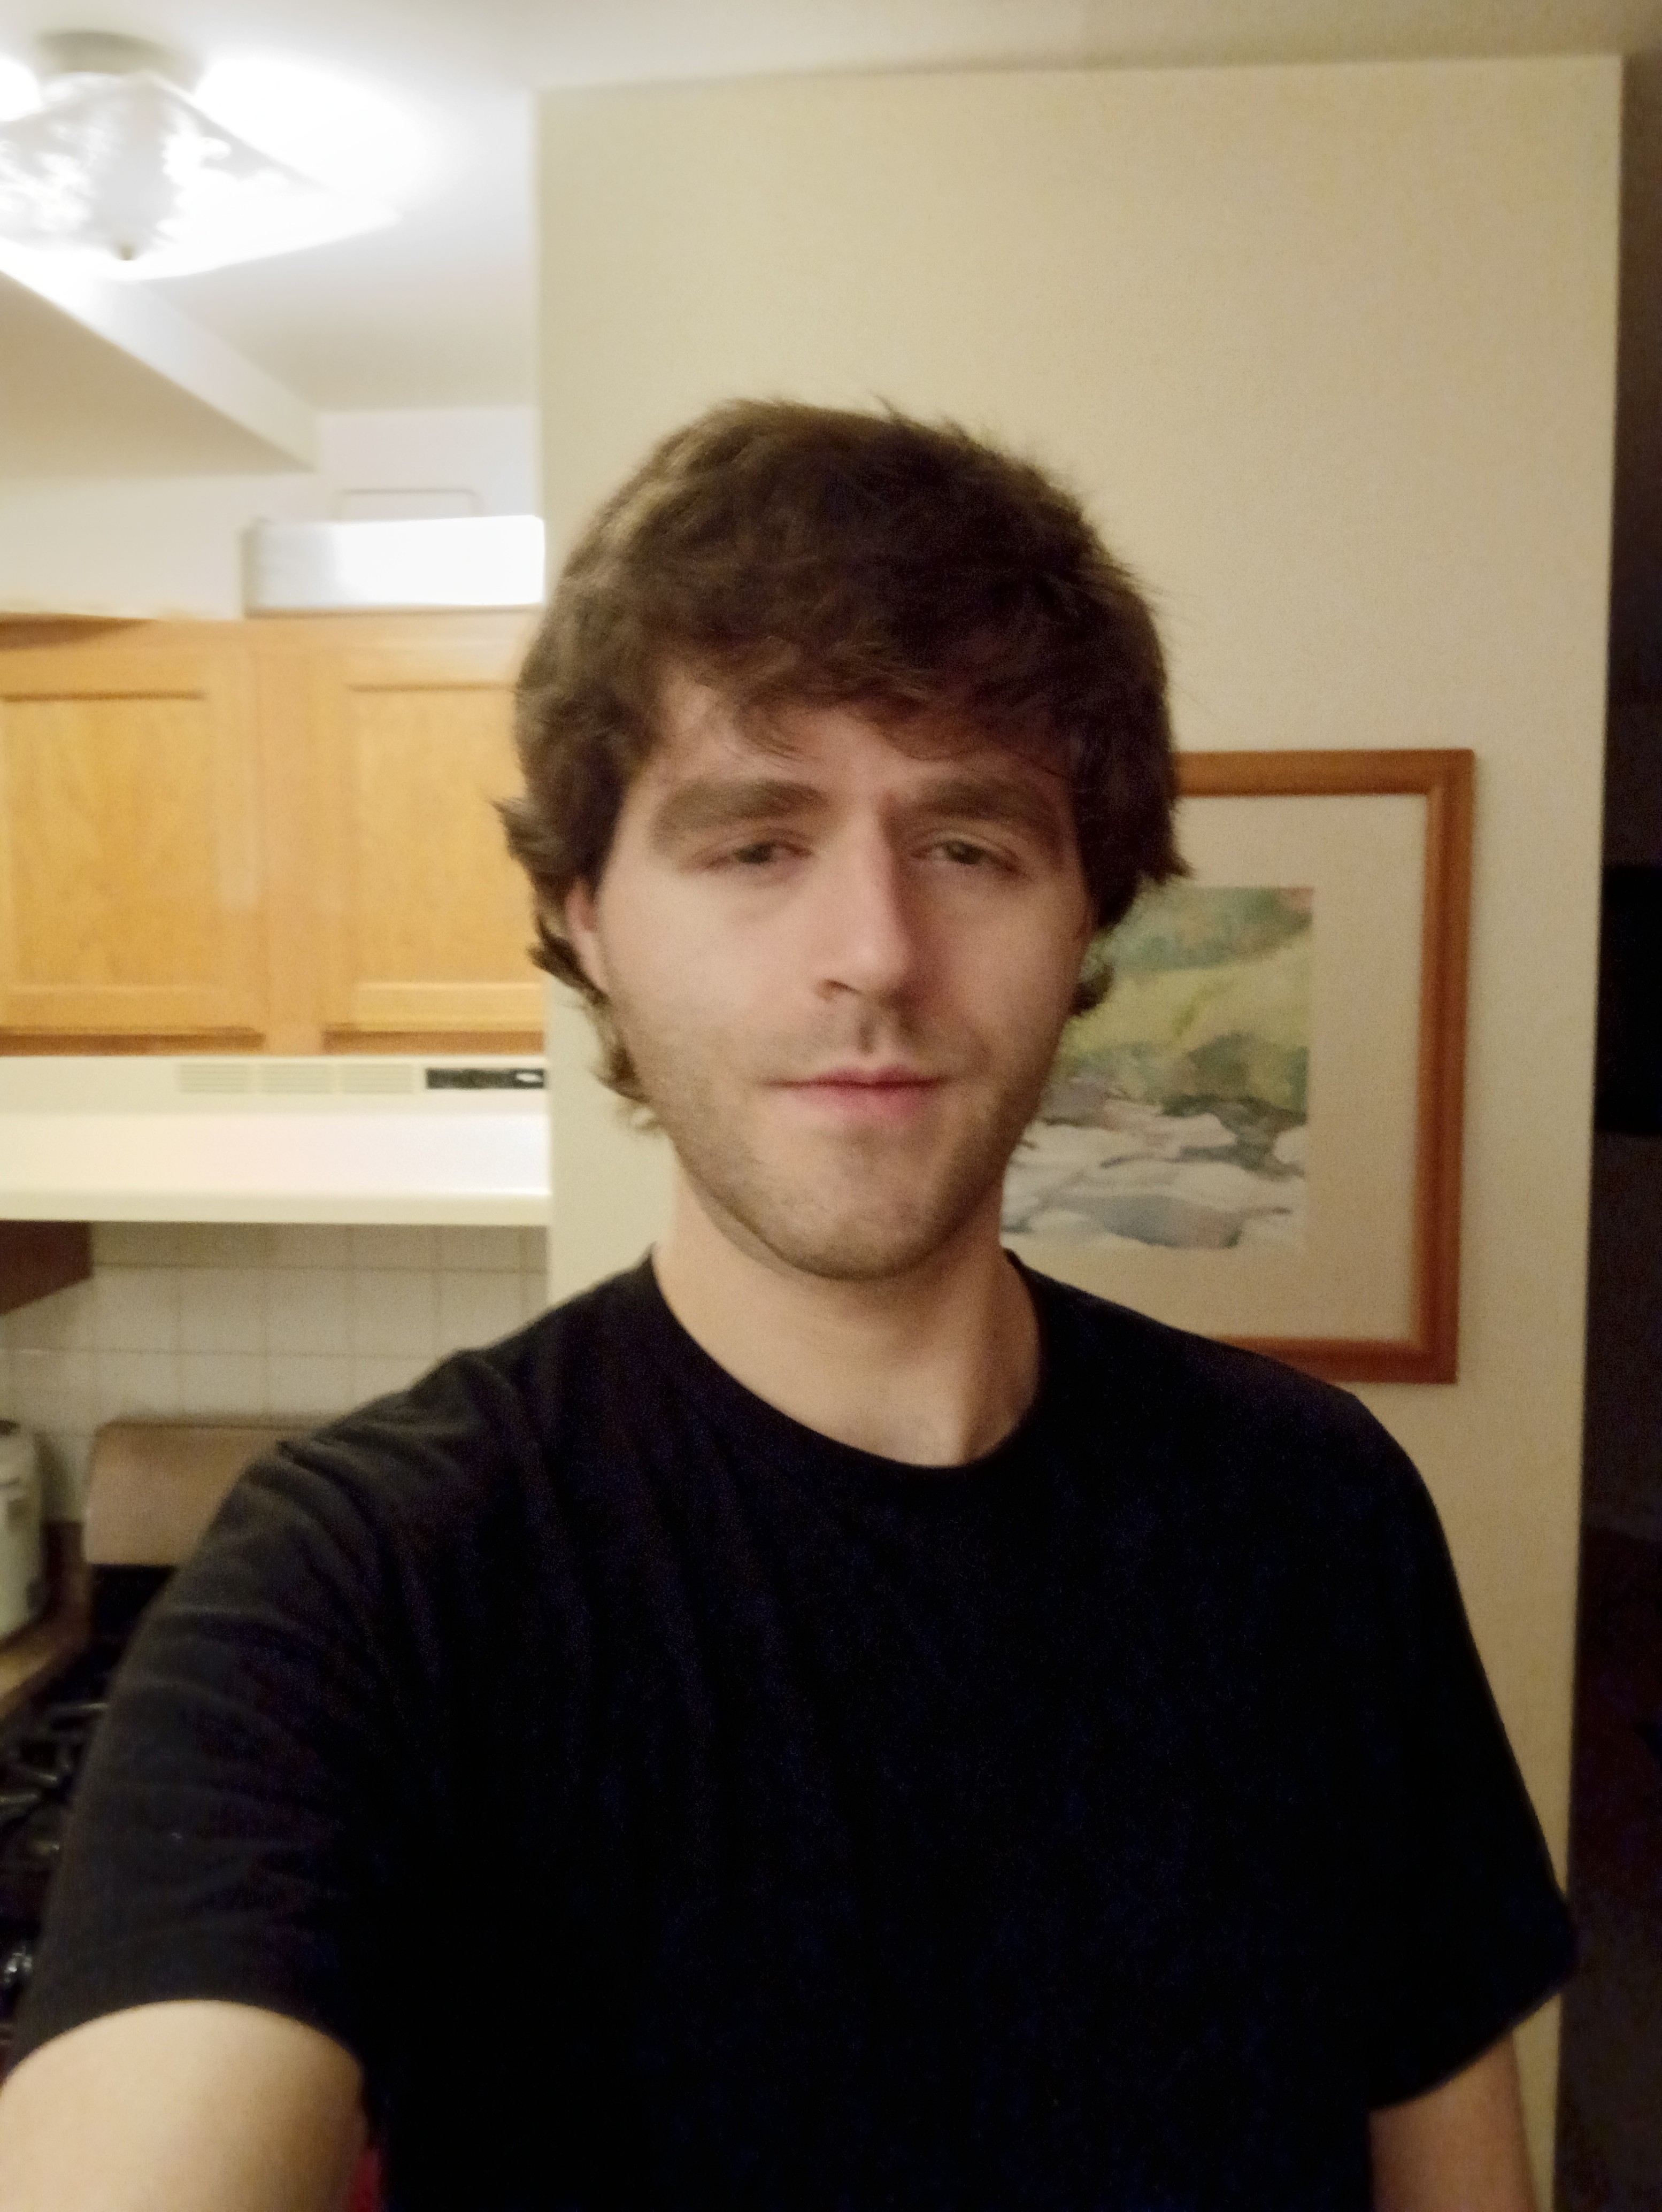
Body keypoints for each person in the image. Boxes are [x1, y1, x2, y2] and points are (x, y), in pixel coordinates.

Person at [0, 401, 1572, 2212]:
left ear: (1087, 914)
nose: (874, 951)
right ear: (589, 915)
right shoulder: (365, 1582)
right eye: (754, 843)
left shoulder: (1315, 1508)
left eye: (968, 843)